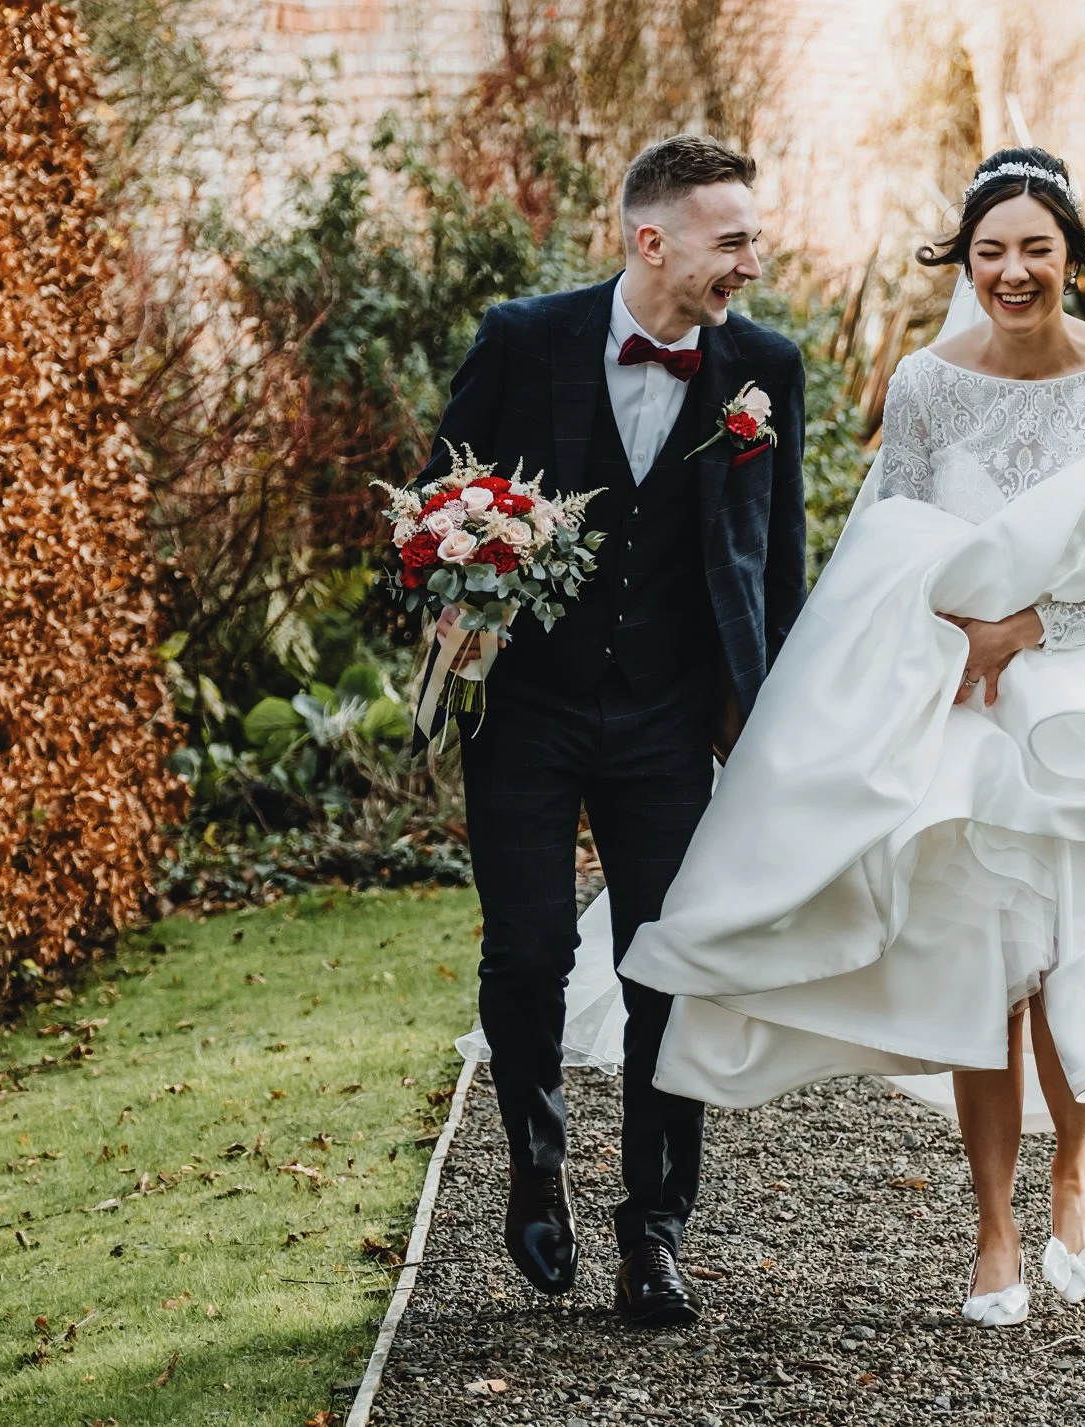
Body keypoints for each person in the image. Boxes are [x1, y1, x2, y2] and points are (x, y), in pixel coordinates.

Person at [615, 147, 1085, 1327]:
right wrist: (924, 648)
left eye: (1034, 249)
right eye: (989, 251)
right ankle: (990, 1229)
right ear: (962, 261)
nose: (1011, 272)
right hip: (962, 697)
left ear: (1071, 255)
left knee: (1064, 946)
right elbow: (894, 535)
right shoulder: (925, 381)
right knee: (985, 955)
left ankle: (1074, 1163)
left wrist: (1032, 623)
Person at [424, 134, 807, 1329]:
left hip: (668, 717)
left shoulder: (765, 370)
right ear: (652, 240)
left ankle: (655, 1228)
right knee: (529, 952)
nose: (751, 258)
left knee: (665, 971)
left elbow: (774, 556)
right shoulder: (524, 340)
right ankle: (535, 1160)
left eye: (752, 235)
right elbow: (438, 505)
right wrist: (455, 583)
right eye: (729, 239)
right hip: (526, 709)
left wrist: (781, 713)